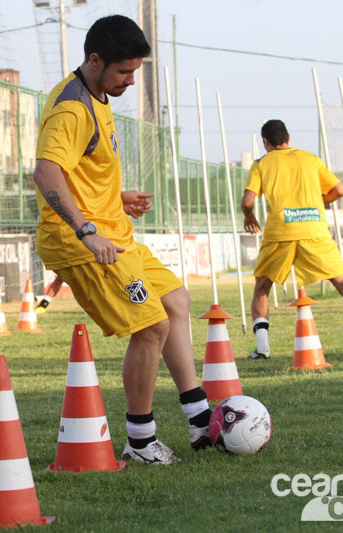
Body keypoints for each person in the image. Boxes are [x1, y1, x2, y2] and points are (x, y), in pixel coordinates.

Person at [33, 15, 211, 465]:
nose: (130, 80)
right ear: (95, 61)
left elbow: (79, 173)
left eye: (135, 71)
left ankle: (199, 418)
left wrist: (116, 197)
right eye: (124, 72)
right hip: (80, 241)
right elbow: (47, 172)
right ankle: (140, 441)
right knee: (151, 327)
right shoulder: (72, 109)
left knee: (176, 301)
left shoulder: (97, 94)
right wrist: (87, 231)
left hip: (114, 232)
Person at [241, 119, 343, 359]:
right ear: (289, 137)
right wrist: (318, 202)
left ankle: (262, 349)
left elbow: (247, 201)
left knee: (262, 287)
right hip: (314, 227)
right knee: (342, 280)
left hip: (281, 230)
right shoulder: (310, 159)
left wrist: (249, 216)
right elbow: (340, 190)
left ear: (265, 142)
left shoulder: (261, 164)